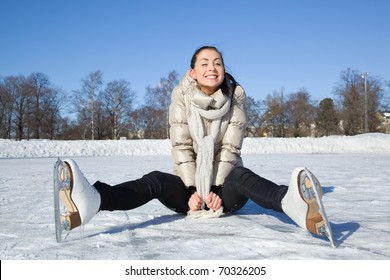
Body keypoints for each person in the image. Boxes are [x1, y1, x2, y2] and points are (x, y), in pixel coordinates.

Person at [58, 46, 327, 238]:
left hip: (226, 185)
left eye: (218, 62)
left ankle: (292, 203)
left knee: (242, 174)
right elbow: (182, 147)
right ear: (193, 72)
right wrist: (192, 192)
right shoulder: (181, 97)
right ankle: (95, 200)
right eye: (205, 63)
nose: (213, 67)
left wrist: (215, 191)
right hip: (189, 185)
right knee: (155, 180)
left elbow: (230, 150)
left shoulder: (237, 98)